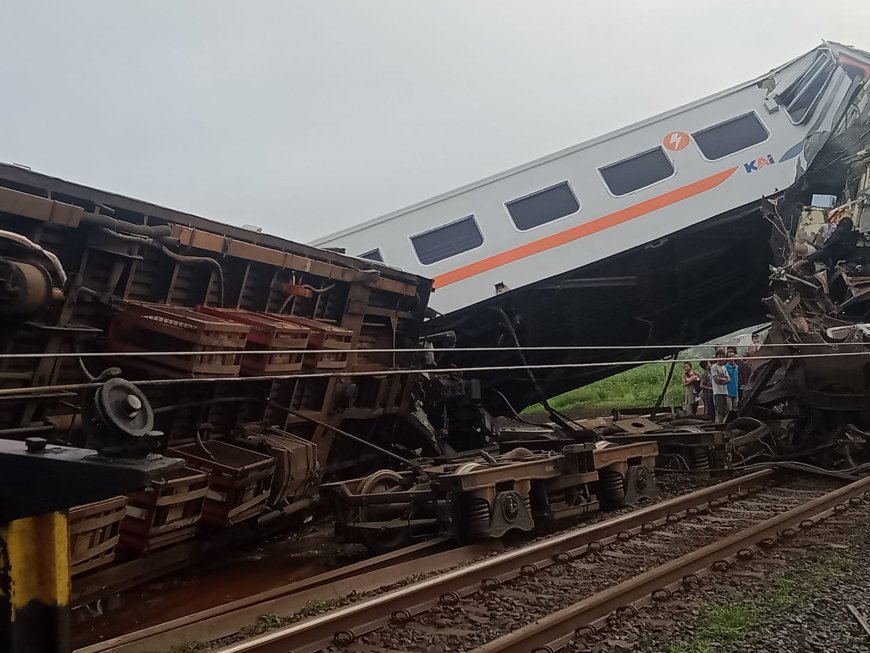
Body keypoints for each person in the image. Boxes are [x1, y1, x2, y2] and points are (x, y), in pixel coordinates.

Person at [710, 349, 731, 423]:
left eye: (723, 356)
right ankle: (719, 423)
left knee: (727, 409)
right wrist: (723, 379)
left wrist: (723, 380)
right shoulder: (714, 367)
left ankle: (724, 422)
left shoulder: (724, 368)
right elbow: (716, 379)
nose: (721, 358)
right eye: (719, 356)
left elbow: (728, 379)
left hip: (725, 391)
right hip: (718, 392)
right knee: (719, 410)